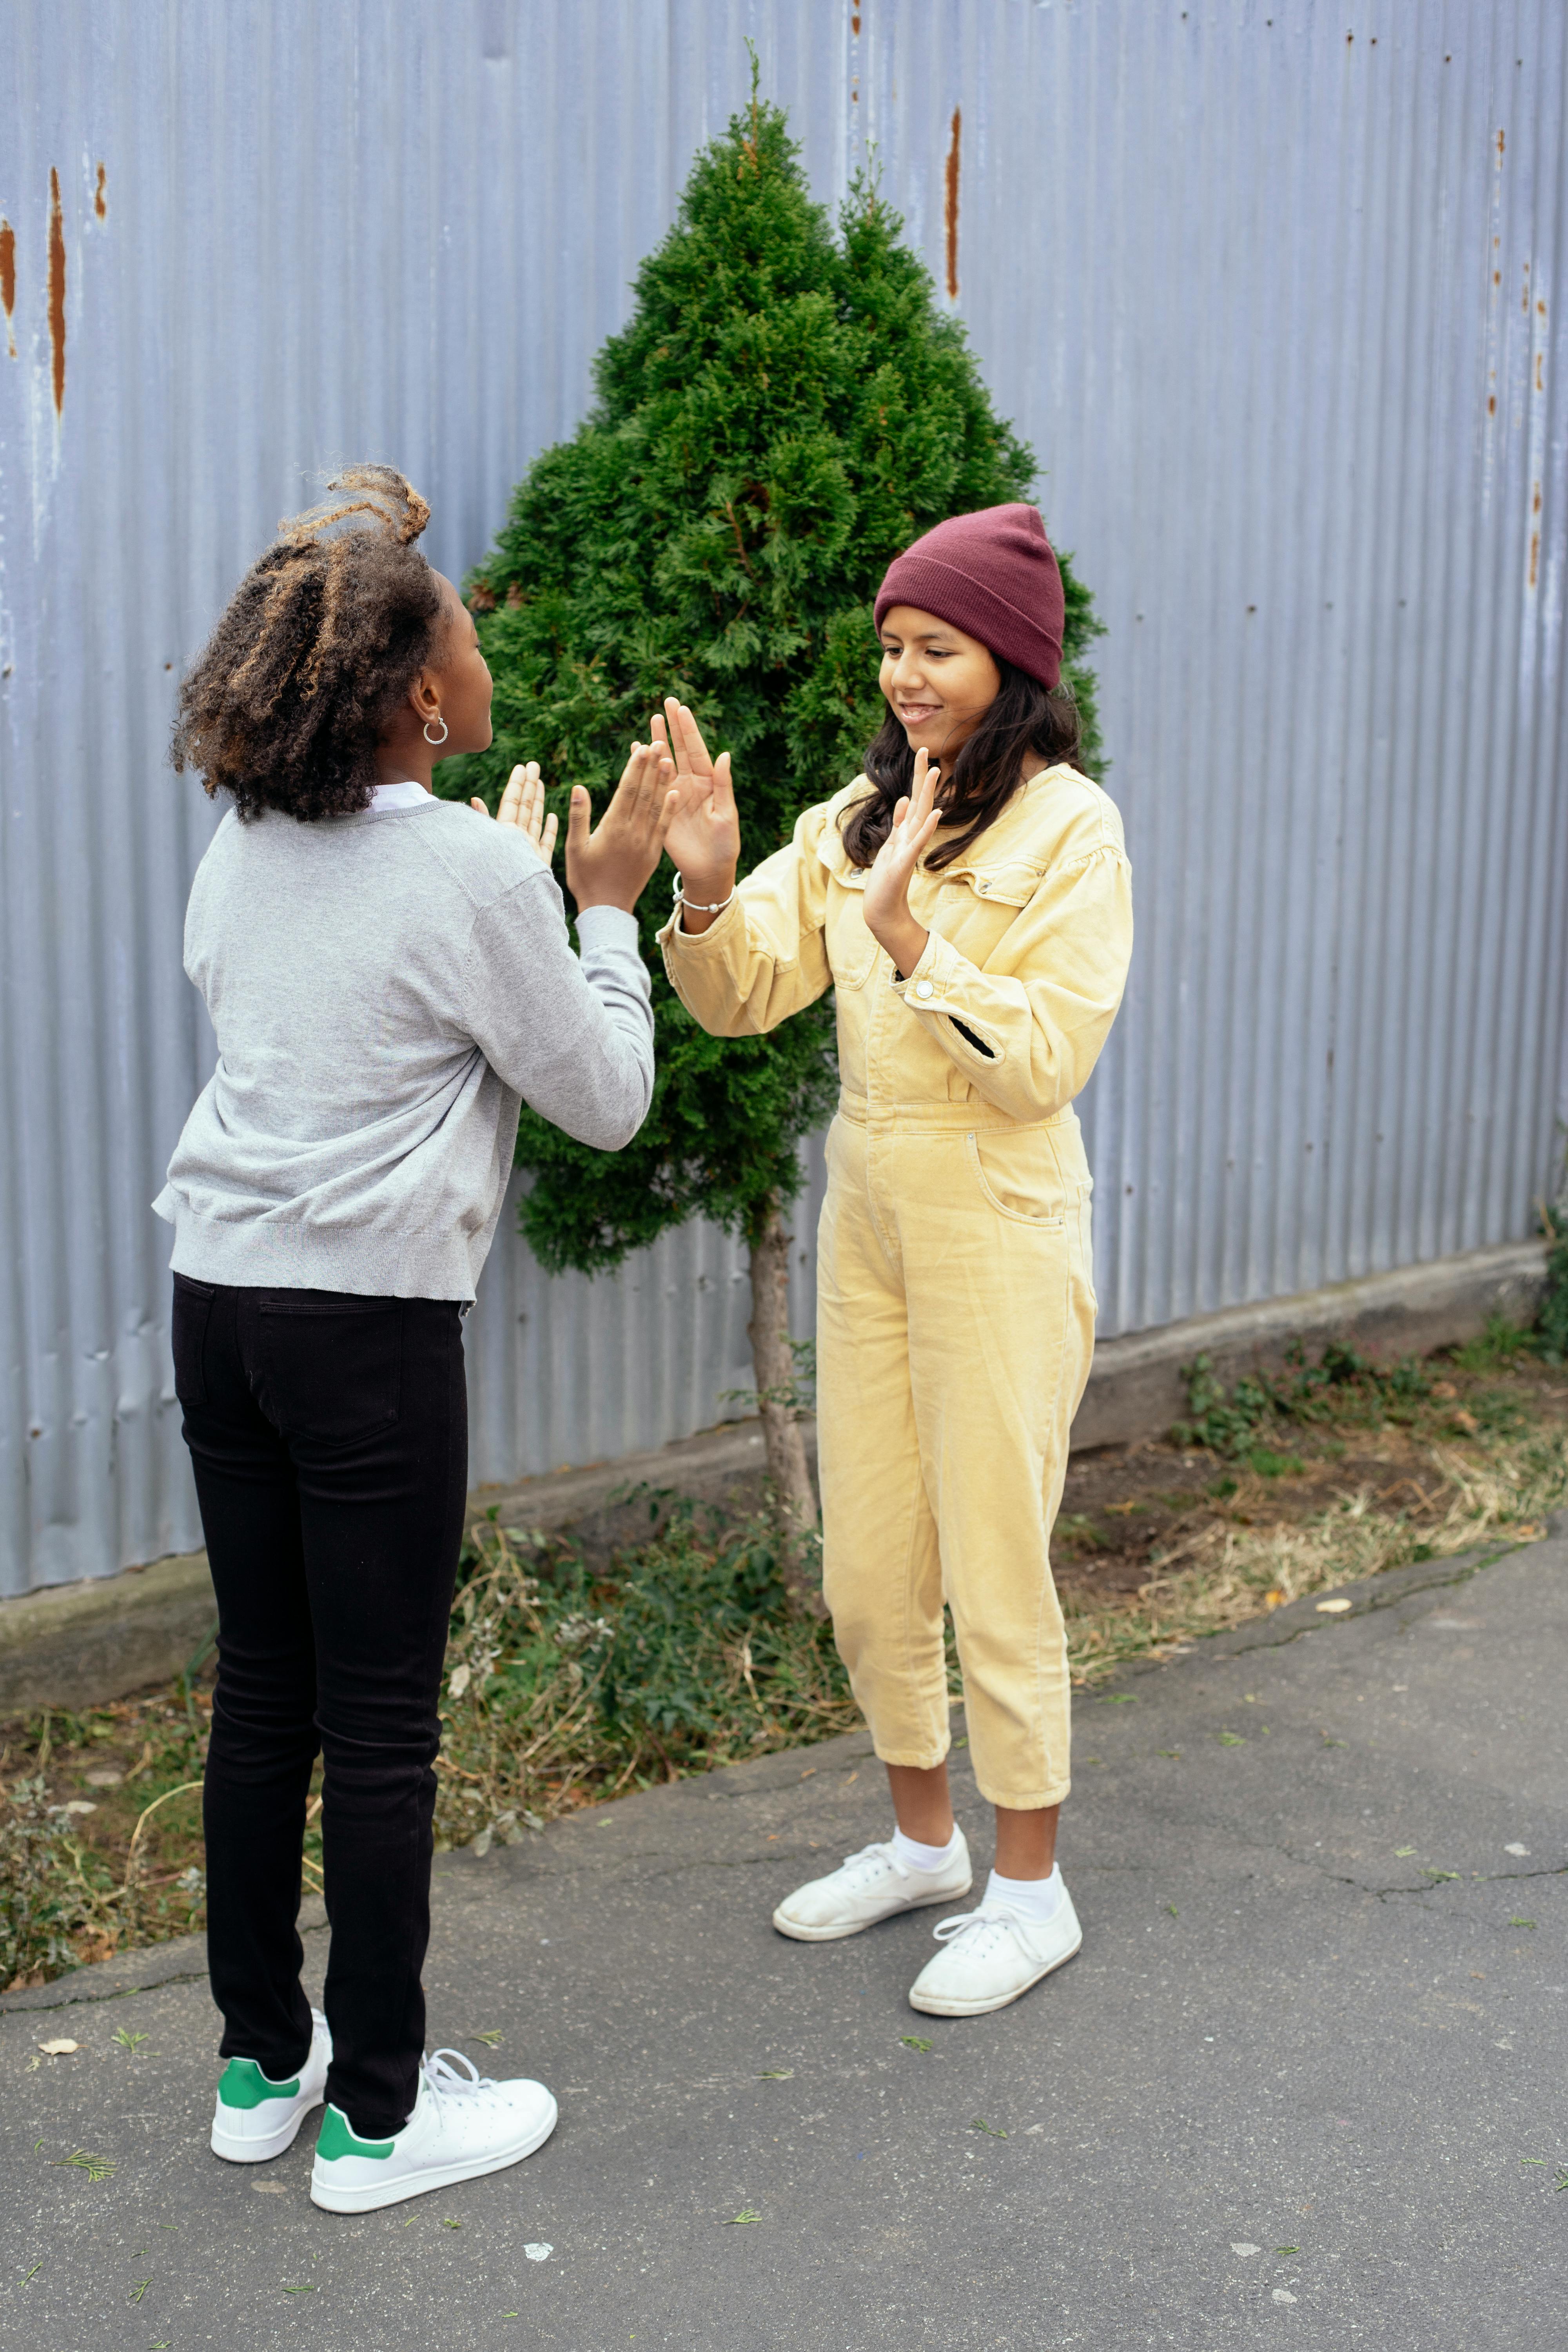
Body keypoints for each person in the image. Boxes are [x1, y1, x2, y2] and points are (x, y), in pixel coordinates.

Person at [158, 466, 673, 2209]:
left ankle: (261, 2062)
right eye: (459, 627)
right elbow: (602, 1098)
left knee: (264, 1700)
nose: (476, 634)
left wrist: (505, 896)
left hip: (219, 1306)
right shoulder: (470, 872)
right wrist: (597, 910)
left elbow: (331, 1005)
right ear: (424, 700)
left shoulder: (245, 848)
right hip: (367, 1334)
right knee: (381, 1730)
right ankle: (379, 2119)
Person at [656, 504, 1133, 2016]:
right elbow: (743, 1001)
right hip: (870, 1203)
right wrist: (711, 888)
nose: (906, 675)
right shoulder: (855, 819)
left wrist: (917, 942)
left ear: (1011, 660)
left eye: (936, 649)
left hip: (996, 1205)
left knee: (994, 1555)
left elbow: (1044, 1059)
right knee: (873, 1567)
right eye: (893, 649)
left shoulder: (1074, 831)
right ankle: (928, 1847)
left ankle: (1031, 1888)